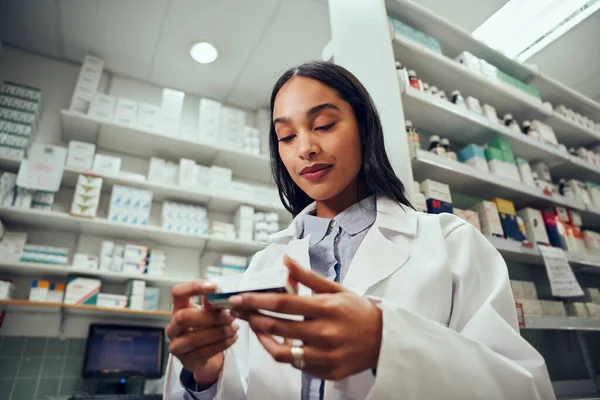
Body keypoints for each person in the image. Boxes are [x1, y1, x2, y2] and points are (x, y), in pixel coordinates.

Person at [164, 61, 555, 400]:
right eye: (286, 136)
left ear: (365, 127)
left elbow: (527, 390)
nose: (305, 148)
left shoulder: (452, 244)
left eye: (324, 125)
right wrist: (208, 375)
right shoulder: (261, 267)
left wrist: (387, 344)